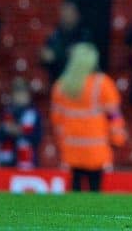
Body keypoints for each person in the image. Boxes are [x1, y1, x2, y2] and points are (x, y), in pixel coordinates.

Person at [50, 43, 126, 192]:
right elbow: (114, 116)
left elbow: (56, 119)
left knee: (75, 188)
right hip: (96, 148)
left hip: (72, 147)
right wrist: (118, 138)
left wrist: (62, 142)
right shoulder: (102, 83)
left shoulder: (61, 85)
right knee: (95, 190)